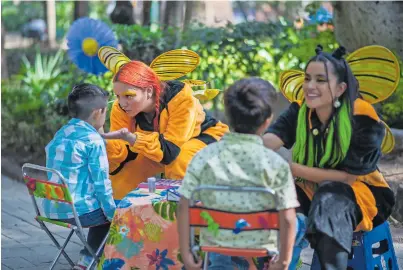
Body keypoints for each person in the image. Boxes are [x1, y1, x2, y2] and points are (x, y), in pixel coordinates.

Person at [263, 45, 396, 269]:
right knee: (268, 198)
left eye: (320, 80)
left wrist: (292, 169)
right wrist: (244, 149)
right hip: (310, 188)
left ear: (341, 87)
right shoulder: (300, 110)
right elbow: (270, 140)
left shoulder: (362, 115)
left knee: (330, 200)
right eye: (307, 79)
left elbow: (346, 178)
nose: (310, 86)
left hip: (362, 196)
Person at [177, 78, 305, 270]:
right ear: (267, 120)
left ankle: (219, 265)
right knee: (301, 221)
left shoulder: (204, 157)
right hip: (262, 240)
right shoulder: (275, 164)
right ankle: (272, 263)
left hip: (217, 237)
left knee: (219, 219)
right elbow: (287, 218)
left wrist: (187, 254)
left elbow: (183, 207)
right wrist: (283, 262)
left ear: (228, 117)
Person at [98, 49, 229, 201]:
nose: (122, 103)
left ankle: (185, 214)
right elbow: (123, 153)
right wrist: (104, 141)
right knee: (125, 172)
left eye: (129, 96)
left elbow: (170, 151)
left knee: (179, 161)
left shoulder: (181, 98)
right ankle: (120, 217)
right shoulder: (120, 107)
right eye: (118, 96)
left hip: (203, 137)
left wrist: (134, 139)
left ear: (148, 91)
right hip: (159, 146)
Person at [45, 83, 116, 270]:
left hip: (51, 207)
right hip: (77, 213)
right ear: (97, 112)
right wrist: (115, 214)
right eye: (106, 111)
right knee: (115, 212)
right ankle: (90, 261)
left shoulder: (61, 133)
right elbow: (102, 185)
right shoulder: (93, 141)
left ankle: (86, 261)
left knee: (102, 209)